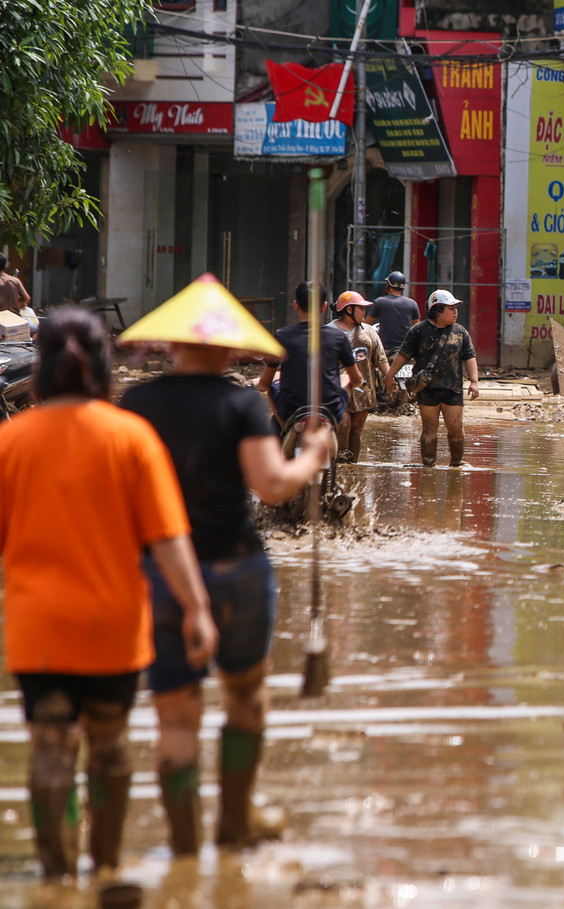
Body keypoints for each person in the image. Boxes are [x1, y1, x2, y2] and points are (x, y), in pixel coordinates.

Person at [119, 275, 333, 857]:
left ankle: (184, 849)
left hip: (160, 571)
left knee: (175, 717)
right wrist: (312, 455)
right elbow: (273, 486)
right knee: (245, 694)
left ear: (171, 343)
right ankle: (235, 823)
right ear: (231, 347)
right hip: (235, 566)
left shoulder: (137, 405)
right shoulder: (240, 403)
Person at [0, 307, 216, 879]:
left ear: (40, 365)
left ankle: (56, 878)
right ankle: (107, 869)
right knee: (110, 743)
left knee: (50, 746)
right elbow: (168, 540)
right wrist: (197, 609)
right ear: (103, 364)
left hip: (39, 630)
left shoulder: (11, 441)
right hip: (114, 626)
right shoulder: (132, 437)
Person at [385, 289, 480, 467]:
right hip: (427, 390)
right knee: (429, 429)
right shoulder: (418, 331)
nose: (455, 312)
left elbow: (470, 357)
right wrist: (390, 376)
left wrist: (474, 382)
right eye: (451, 308)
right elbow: (403, 355)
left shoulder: (460, 332)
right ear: (437, 311)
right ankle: (428, 466)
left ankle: (456, 464)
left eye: (455, 308)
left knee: (456, 429)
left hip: (453, 389)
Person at [256, 281, 362, 430]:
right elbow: (357, 380)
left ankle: (285, 427)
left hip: (291, 411)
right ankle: (333, 426)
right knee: (347, 378)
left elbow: (265, 383)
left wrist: (257, 384)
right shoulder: (338, 337)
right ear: (324, 307)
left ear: (296, 305)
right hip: (330, 412)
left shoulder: (282, 336)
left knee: (271, 385)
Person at [331, 290, 390, 462]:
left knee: (356, 431)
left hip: (363, 390)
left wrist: (390, 379)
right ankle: (340, 465)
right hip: (338, 390)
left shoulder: (369, 331)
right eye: (361, 308)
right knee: (343, 426)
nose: (365, 312)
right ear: (349, 310)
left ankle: (352, 467)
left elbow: (380, 357)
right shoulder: (329, 331)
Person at [366, 270, 420, 357]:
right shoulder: (412, 304)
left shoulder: (380, 302)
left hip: (384, 351)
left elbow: (366, 325)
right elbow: (417, 329)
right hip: (405, 351)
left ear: (389, 286)